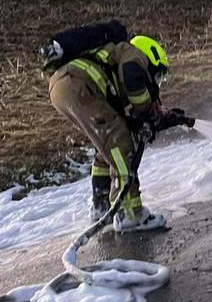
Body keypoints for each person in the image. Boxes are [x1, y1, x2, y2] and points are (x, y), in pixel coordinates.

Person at [42, 24, 170, 232]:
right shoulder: (133, 53)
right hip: (78, 84)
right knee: (121, 143)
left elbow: (122, 97)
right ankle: (130, 215)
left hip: (61, 86)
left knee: (106, 147)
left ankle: (101, 207)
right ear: (152, 56)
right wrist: (145, 111)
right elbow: (132, 76)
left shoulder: (110, 58)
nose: (156, 83)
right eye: (158, 76)